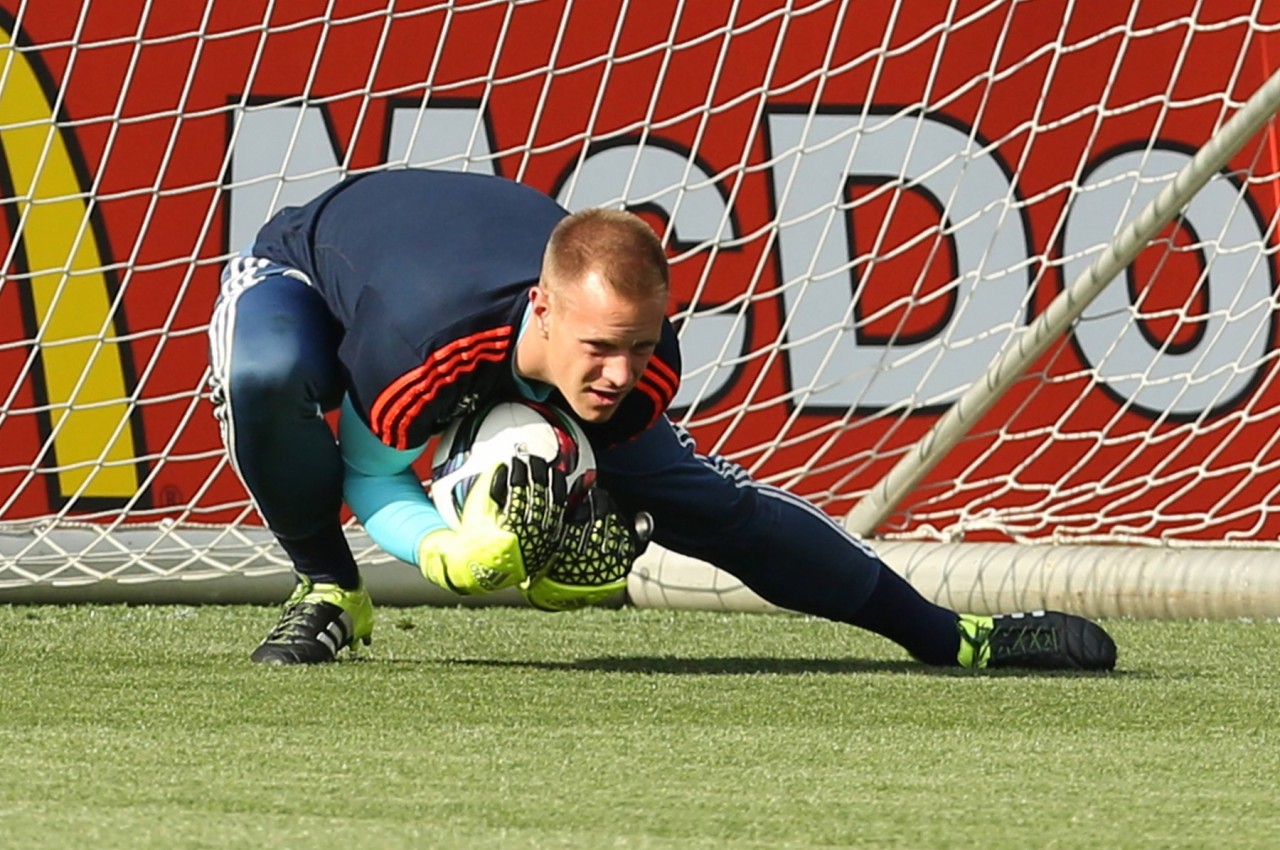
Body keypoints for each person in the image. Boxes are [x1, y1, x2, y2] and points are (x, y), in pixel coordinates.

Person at [208, 168, 1117, 670]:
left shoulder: (636, 360)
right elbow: (371, 474)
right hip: (312, 270)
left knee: (710, 505)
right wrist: (441, 552)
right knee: (269, 375)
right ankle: (328, 592)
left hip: (481, 318)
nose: (619, 375)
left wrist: (577, 529)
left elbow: (713, 509)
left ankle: (949, 636)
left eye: (640, 347)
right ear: (546, 309)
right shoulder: (420, 345)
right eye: (601, 348)